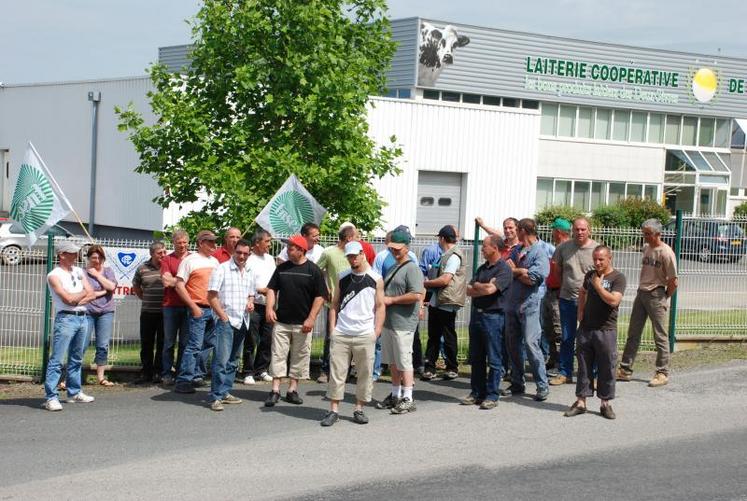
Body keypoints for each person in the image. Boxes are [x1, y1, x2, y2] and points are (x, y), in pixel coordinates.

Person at [320, 242, 385, 426]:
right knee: (337, 373)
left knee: (364, 373)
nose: (352, 259)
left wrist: (376, 331)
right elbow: (334, 305)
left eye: (355, 255)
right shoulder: (342, 277)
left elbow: (380, 307)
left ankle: (359, 408)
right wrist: (333, 330)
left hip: (365, 333)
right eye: (349, 256)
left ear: (362, 254)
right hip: (342, 332)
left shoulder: (375, 278)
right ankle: (333, 410)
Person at [264, 235, 327, 407]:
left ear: (301, 250)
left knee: (300, 356)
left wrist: (311, 318)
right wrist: (270, 308)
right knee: (278, 354)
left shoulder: (313, 270)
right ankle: (275, 390)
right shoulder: (281, 268)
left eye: (291, 247)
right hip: (282, 321)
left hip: (303, 323)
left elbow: (321, 296)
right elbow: (271, 289)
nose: (287, 250)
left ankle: (292, 390)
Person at [564, 245, 626, 420]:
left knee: (607, 366)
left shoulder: (618, 278)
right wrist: (580, 311)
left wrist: (598, 287)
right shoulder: (590, 275)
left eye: (601, 259)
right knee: (583, 366)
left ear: (609, 258)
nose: (597, 263)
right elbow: (582, 291)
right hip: (586, 328)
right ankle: (581, 402)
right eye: (595, 259)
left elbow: (614, 300)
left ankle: (605, 403)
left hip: (606, 330)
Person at [617, 219, 678, 387]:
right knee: (633, 332)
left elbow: (673, 281)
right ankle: (625, 370)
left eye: (648, 234)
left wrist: (664, 296)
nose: (645, 237)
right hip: (641, 293)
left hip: (656, 293)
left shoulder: (666, 253)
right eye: (643, 233)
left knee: (660, 335)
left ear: (658, 234)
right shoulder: (646, 248)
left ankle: (662, 372)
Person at [43, 240, 96, 411]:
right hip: (66, 319)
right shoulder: (54, 275)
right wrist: (82, 294)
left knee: (77, 357)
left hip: (82, 317)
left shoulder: (79, 271)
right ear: (62, 255)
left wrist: (77, 296)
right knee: (57, 359)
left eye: (76, 253)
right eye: (72, 253)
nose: (76, 256)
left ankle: (74, 392)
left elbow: (92, 293)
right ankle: (51, 397)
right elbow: (68, 300)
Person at [376, 229, 423, 415]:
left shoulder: (412, 268)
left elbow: (417, 294)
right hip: (390, 322)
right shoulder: (394, 266)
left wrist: (392, 300)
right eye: (392, 248)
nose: (394, 251)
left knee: (404, 361)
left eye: (398, 248)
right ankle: (395, 394)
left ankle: (408, 397)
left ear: (406, 247)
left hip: (403, 323)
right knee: (393, 362)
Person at [462, 235, 512, 410]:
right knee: (476, 357)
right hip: (477, 316)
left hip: (494, 317)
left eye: (484, 246)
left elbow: (492, 290)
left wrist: (479, 286)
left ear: (495, 248)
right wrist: (481, 286)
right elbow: (468, 290)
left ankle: (492, 394)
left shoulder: (504, 270)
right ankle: (477, 392)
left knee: (494, 358)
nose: (482, 249)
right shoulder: (482, 268)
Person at [504, 218, 550, 401]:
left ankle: (542, 385)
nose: (513, 232)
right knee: (512, 344)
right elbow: (506, 269)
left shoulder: (539, 253)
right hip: (512, 303)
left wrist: (517, 272)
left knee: (531, 344)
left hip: (530, 304)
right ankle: (517, 383)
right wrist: (520, 272)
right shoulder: (517, 250)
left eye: (516, 229)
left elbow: (532, 280)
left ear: (523, 230)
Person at [206, 239, 255, 411]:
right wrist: (223, 317)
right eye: (239, 252)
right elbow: (211, 296)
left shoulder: (249, 271)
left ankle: (225, 391)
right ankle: (216, 396)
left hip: (242, 320)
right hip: (226, 321)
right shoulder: (222, 269)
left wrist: (250, 302)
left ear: (249, 254)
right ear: (234, 251)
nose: (242, 256)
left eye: (245, 254)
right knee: (221, 359)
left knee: (234, 360)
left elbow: (251, 294)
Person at [550, 217, 597, 386]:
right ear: (572, 231)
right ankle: (565, 373)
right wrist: (566, 286)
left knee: (591, 338)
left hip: (591, 301)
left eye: (583, 229)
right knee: (567, 336)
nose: (580, 232)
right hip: (567, 299)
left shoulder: (596, 249)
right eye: (577, 229)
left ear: (589, 230)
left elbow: (603, 272)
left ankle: (593, 375)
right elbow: (557, 270)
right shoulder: (563, 248)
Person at [174, 230, 220, 394]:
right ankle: (183, 380)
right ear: (201, 243)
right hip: (198, 308)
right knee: (193, 345)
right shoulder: (190, 261)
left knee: (208, 344)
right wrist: (193, 307)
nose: (214, 245)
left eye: (214, 242)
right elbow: (179, 285)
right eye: (211, 242)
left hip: (213, 310)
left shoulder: (215, 262)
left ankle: (197, 375)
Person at [422, 225, 466, 381]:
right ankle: (430, 367)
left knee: (448, 335)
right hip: (438, 300)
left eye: (439, 238)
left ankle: (452, 367)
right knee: (434, 335)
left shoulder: (453, 256)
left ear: (442, 238)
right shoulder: (446, 254)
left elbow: (446, 279)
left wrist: (426, 284)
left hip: (447, 301)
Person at [315, 224, 356, 383]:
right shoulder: (329, 252)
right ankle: (326, 370)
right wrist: (325, 290)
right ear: (349, 238)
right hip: (333, 302)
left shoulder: (355, 254)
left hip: (352, 302)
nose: (358, 239)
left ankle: (346, 370)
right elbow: (317, 272)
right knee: (331, 336)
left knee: (350, 337)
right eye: (356, 236)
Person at [243, 229, 275, 384]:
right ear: (257, 242)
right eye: (267, 241)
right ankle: (248, 371)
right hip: (254, 304)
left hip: (268, 304)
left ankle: (261, 369)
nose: (269, 244)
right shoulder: (249, 260)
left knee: (267, 339)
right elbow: (246, 282)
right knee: (251, 338)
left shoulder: (270, 259)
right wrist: (260, 290)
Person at [132, 241, 167, 384]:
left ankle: (158, 372)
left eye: (165, 252)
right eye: (160, 253)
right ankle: (146, 372)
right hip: (147, 312)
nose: (163, 255)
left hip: (165, 313)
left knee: (162, 343)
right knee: (147, 343)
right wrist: (145, 298)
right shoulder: (142, 269)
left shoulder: (168, 267)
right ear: (152, 254)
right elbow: (136, 286)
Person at [160, 229, 191, 385]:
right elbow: (165, 281)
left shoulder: (193, 258)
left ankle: (180, 372)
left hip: (188, 306)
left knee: (185, 342)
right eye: (179, 242)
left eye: (184, 242)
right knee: (169, 342)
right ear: (174, 243)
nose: (182, 245)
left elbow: (195, 282)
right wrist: (184, 283)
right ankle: (166, 373)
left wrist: (176, 282)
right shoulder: (167, 259)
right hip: (170, 305)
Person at [84, 244, 118, 387]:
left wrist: (97, 274)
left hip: (106, 312)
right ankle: (70, 377)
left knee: (102, 345)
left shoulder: (108, 271)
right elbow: (87, 293)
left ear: (103, 258)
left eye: (98, 258)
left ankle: (101, 377)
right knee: (81, 344)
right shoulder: (82, 273)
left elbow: (112, 286)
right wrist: (103, 292)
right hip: (87, 312)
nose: (96, 260)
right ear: (88, 258)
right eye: (93, 258)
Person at [542, 218, 571, 374]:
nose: (552, 233)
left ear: (558, 232)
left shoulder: (567, 249)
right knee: (549, 329)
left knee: (558, 328)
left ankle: (562, 363)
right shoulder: (557, 248)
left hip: (559, 292)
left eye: (553, 230)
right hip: (550, 291)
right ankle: (553, 359)